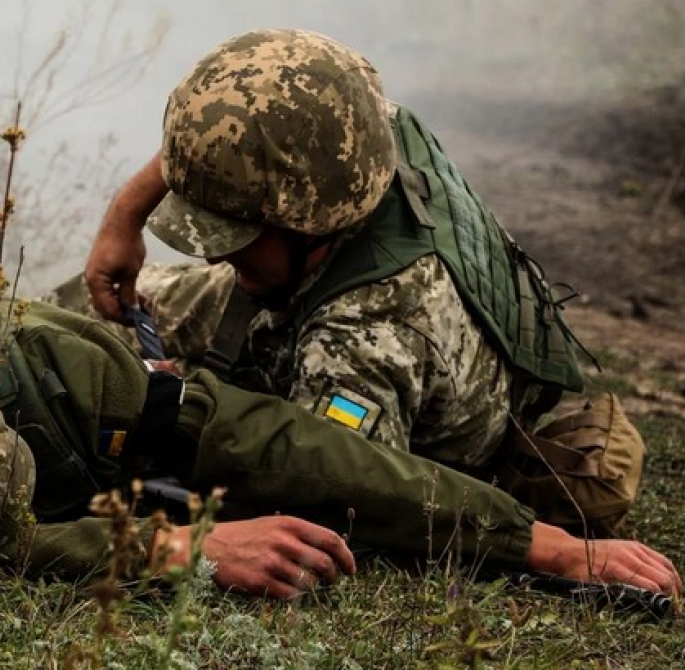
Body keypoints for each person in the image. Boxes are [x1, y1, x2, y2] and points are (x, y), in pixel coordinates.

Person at [0, 272, 679, 602]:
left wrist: (537, 541)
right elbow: (3, 543)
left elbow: (291, 448)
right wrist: (174, 548)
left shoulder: (67, 374)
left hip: (7, 353)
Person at [59, 27, 645, 536]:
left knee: (112, 391)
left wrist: (174, 403)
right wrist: (125, 216)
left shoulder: (365, 338)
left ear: (307, 217)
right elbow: (230, 135)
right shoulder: (350, 132)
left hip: (368, 378)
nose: (217, 259)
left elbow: (328, 498)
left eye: (236, 236)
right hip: (306, 282)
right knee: (74, 320)